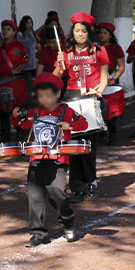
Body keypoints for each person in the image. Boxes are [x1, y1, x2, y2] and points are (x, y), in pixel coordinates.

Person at [11, 72, 87, 247]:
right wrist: (15, 116)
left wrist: (70, 125)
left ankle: (67, 220)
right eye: (41, 95)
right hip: (36, 159)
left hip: (58, 159)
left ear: (58, 94)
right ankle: (38, 232)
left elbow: (83, 123)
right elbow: (21, 123)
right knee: (36, 196)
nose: (44, 99)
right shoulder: (35, 112)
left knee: (58, 192)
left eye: (48, 95)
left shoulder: (65, 110)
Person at [54, 12, 109, 202]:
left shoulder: (99, 50)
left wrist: (99, 90)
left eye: (83, 31)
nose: (80, 34)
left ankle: (91, 181)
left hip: (91, 99)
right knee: (74, 145)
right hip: (71, 100)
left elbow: (104, 76)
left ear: (89, 32)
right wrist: (60, 61)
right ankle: (77, 186)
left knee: (90, 145)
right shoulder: (67, 52)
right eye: (77, 31)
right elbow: (56, 77)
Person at [0, 19, 28, 141]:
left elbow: (25, 61)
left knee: (18, 108)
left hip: (16, 80)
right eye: (4, 29)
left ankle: (20, 133)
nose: (5, 32)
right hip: (2, 80)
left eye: (8, 29)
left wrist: (19, 70)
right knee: (3, 110)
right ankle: (5, 135)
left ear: (14, 32)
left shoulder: (19, 46)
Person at [97, 22, 125, 145]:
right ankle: (101, 133)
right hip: (97, 80)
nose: (102, 35)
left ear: (110, 35)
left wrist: (113, 79)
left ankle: (112, 132)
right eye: (100, 33)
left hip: (111, 79)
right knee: (98, 108)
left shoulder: (115, 48)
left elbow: (121, 67)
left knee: (111, 108)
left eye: (105, 33)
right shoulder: (94, 48)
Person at [17, 15, 39, 93]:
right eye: (27, 23)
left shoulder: (33, 33)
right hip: (26, 64)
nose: (29, 25)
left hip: (34, 63)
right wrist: (31, 41)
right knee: (28, 85)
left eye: (30, 23)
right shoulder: (20, 34)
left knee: (36, 84)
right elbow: (22, 47)